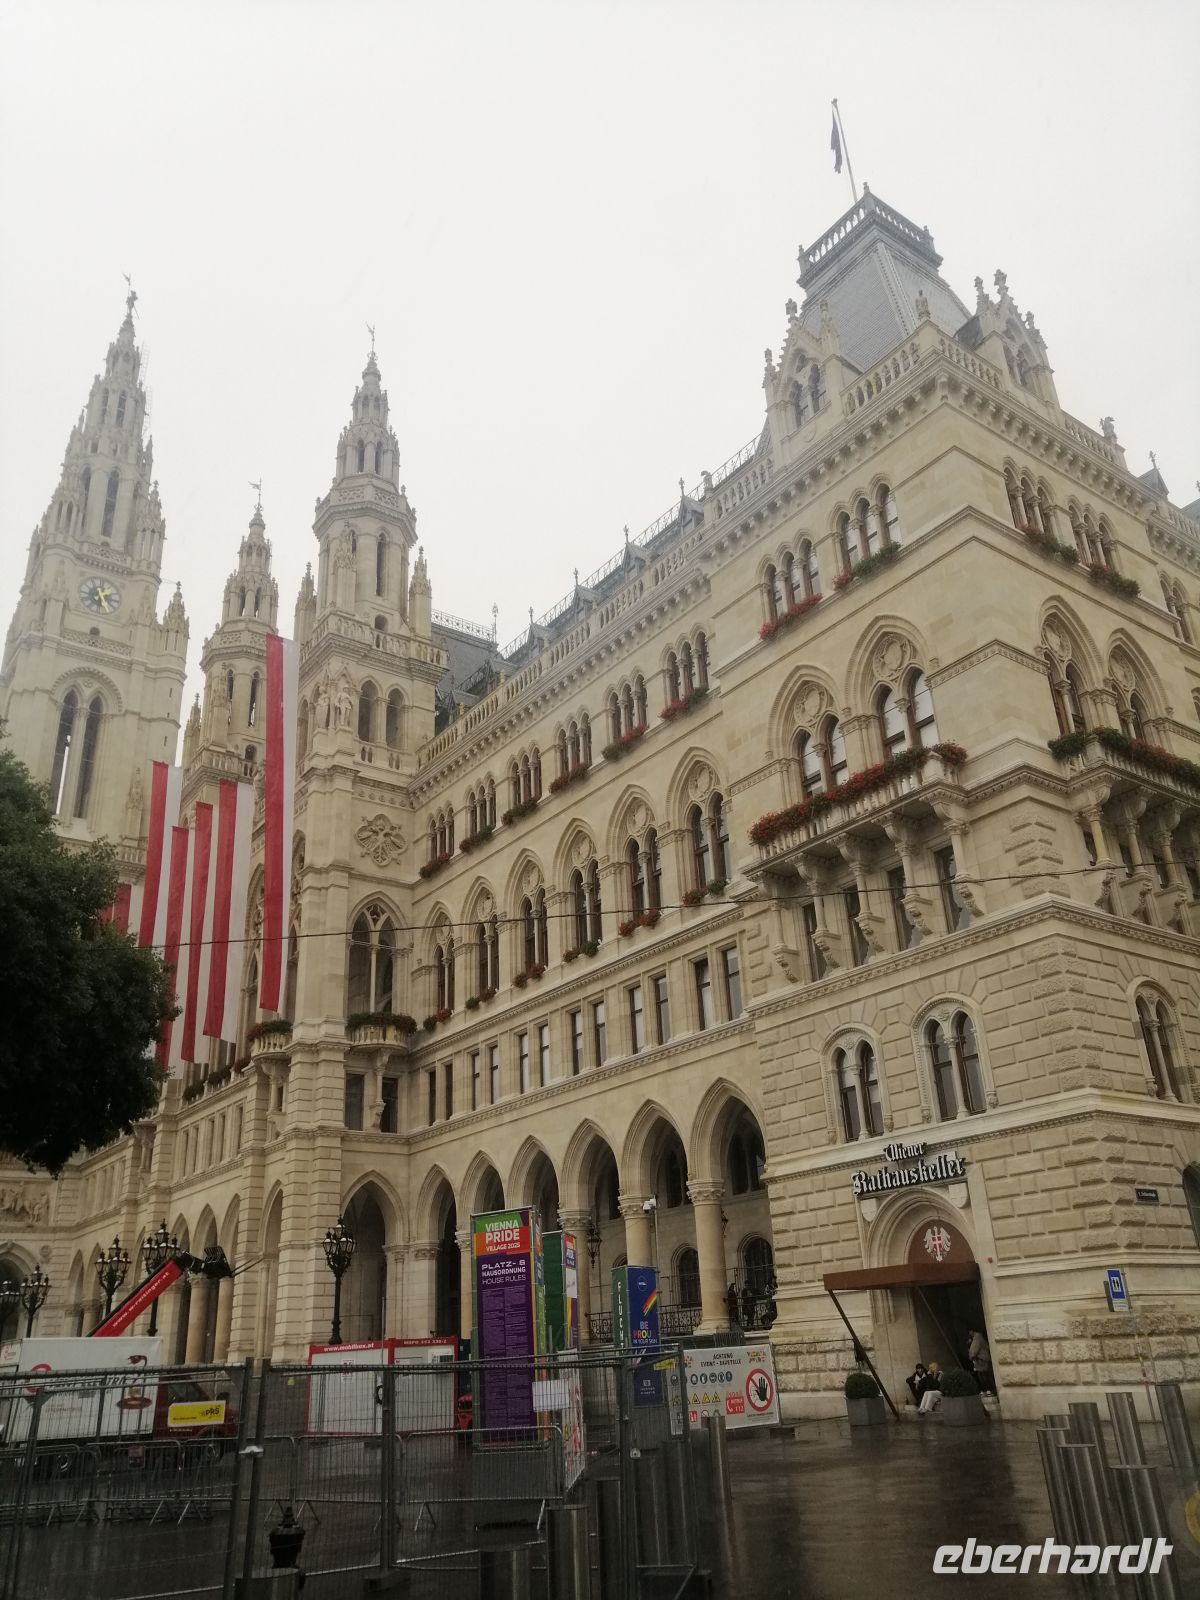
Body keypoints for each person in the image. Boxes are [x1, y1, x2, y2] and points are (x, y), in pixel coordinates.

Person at [968, 1329, 994, 1394]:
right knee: (983, 1374)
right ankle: (987, 1389)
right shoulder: (978, 1337)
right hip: (982, 1358)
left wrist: (971, 1356)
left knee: (983, 1375)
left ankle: (987, 1389)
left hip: (981, 1359)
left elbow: (974, 1349)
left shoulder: (977, 1337)